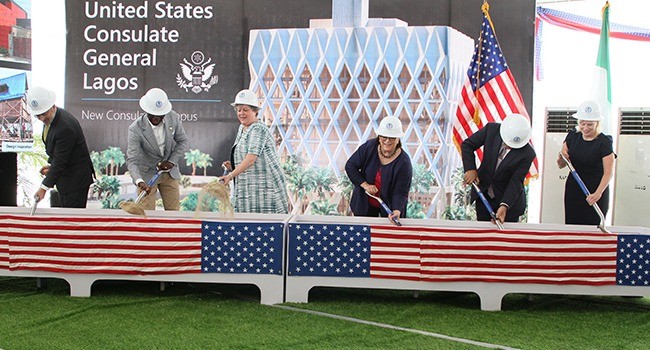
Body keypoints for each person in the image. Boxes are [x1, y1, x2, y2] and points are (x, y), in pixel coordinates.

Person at [219, 89, 289, 214]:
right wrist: (233, 165)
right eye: (239, 110)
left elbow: (251, 159)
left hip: (266, 188)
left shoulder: (258, 129)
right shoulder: (242, 128)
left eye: (245, 110)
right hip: (249, 187)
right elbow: (244, 156)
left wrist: (230, 176)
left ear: (255, 111)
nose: (241, 113)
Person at [26, 86, 94, 208]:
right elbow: (58, 153)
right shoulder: (52, 119)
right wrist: (51, 167)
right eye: (37, 116)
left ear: (52, 106)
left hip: (75, 182)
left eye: (43, 114)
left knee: (72, 221)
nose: (41, 118)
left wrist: (43, 188)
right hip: (66, 178)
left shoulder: (65, 127)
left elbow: (60, 160)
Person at [461, 113, 536, 224]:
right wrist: (470, 169)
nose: (510, 146)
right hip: (484, 196)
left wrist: (504, 206)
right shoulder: (491, 130)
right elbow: (467, 145)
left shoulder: (528, 153)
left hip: (509, 204)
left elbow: (515, 181)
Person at [126, 88, 189, 211]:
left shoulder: (173, 118)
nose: (156, 118)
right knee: (146, 216)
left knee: (174, 214)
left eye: (160, 115)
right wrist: (139, 181)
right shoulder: (135, 129)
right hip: (146, 177)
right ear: (146, 110)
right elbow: (132, 160)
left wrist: (171, 161)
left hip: (170, 174)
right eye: (152, 114)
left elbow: (182, 141)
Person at [345, 116, 412, 225]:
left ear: (398, 139)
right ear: (379, 136)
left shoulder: (404, 162)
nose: (387, 141)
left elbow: (400, 191)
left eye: (392, 138)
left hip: (388, 210)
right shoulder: (369, 147)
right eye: (383, 137)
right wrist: (365, 185)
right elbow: (350, 166)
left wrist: (396, 210)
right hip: (363, 205)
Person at [557, 100, 615, 226]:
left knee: (593, 226)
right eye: (583, 124)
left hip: (596, 190)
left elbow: (609, 172)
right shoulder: (572, 136)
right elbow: (561, 165)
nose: (585, 128)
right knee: (573, 225)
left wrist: (597, 193)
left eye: (590, 124)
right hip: (575, 188)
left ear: (597, 124)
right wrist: (561, 158)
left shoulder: (604, 142)